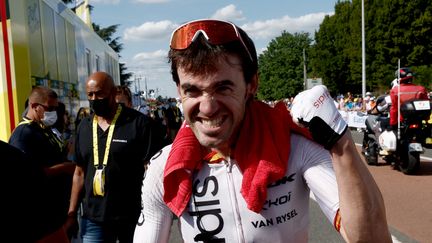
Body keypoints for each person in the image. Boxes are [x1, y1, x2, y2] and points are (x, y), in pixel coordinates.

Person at [133, 19, 391, 243]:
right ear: (179, 91)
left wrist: (342, 144)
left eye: (223, 88)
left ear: (251, 85)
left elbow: (372, 239)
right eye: (192, 91)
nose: (208, 108)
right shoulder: (165, 169)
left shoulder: (295, 149)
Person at [66, 71, 164, 243]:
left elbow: (151, 170)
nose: (94, 99)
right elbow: (79, 172)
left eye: (99, 93)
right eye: (90, 94)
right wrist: (72, 212)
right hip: (93, 218)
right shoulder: (84, 127)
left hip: (131, 215)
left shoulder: (138, 123)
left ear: (112, 93)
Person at [8, 86, 76, 240]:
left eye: (56, 108)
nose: (54, 113)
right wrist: (64, 168)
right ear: (34, 106)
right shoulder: (23, 134)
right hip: (40, 216)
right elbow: (25, 174)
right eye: (50, 108)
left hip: (56, 210)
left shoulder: (43, 128)